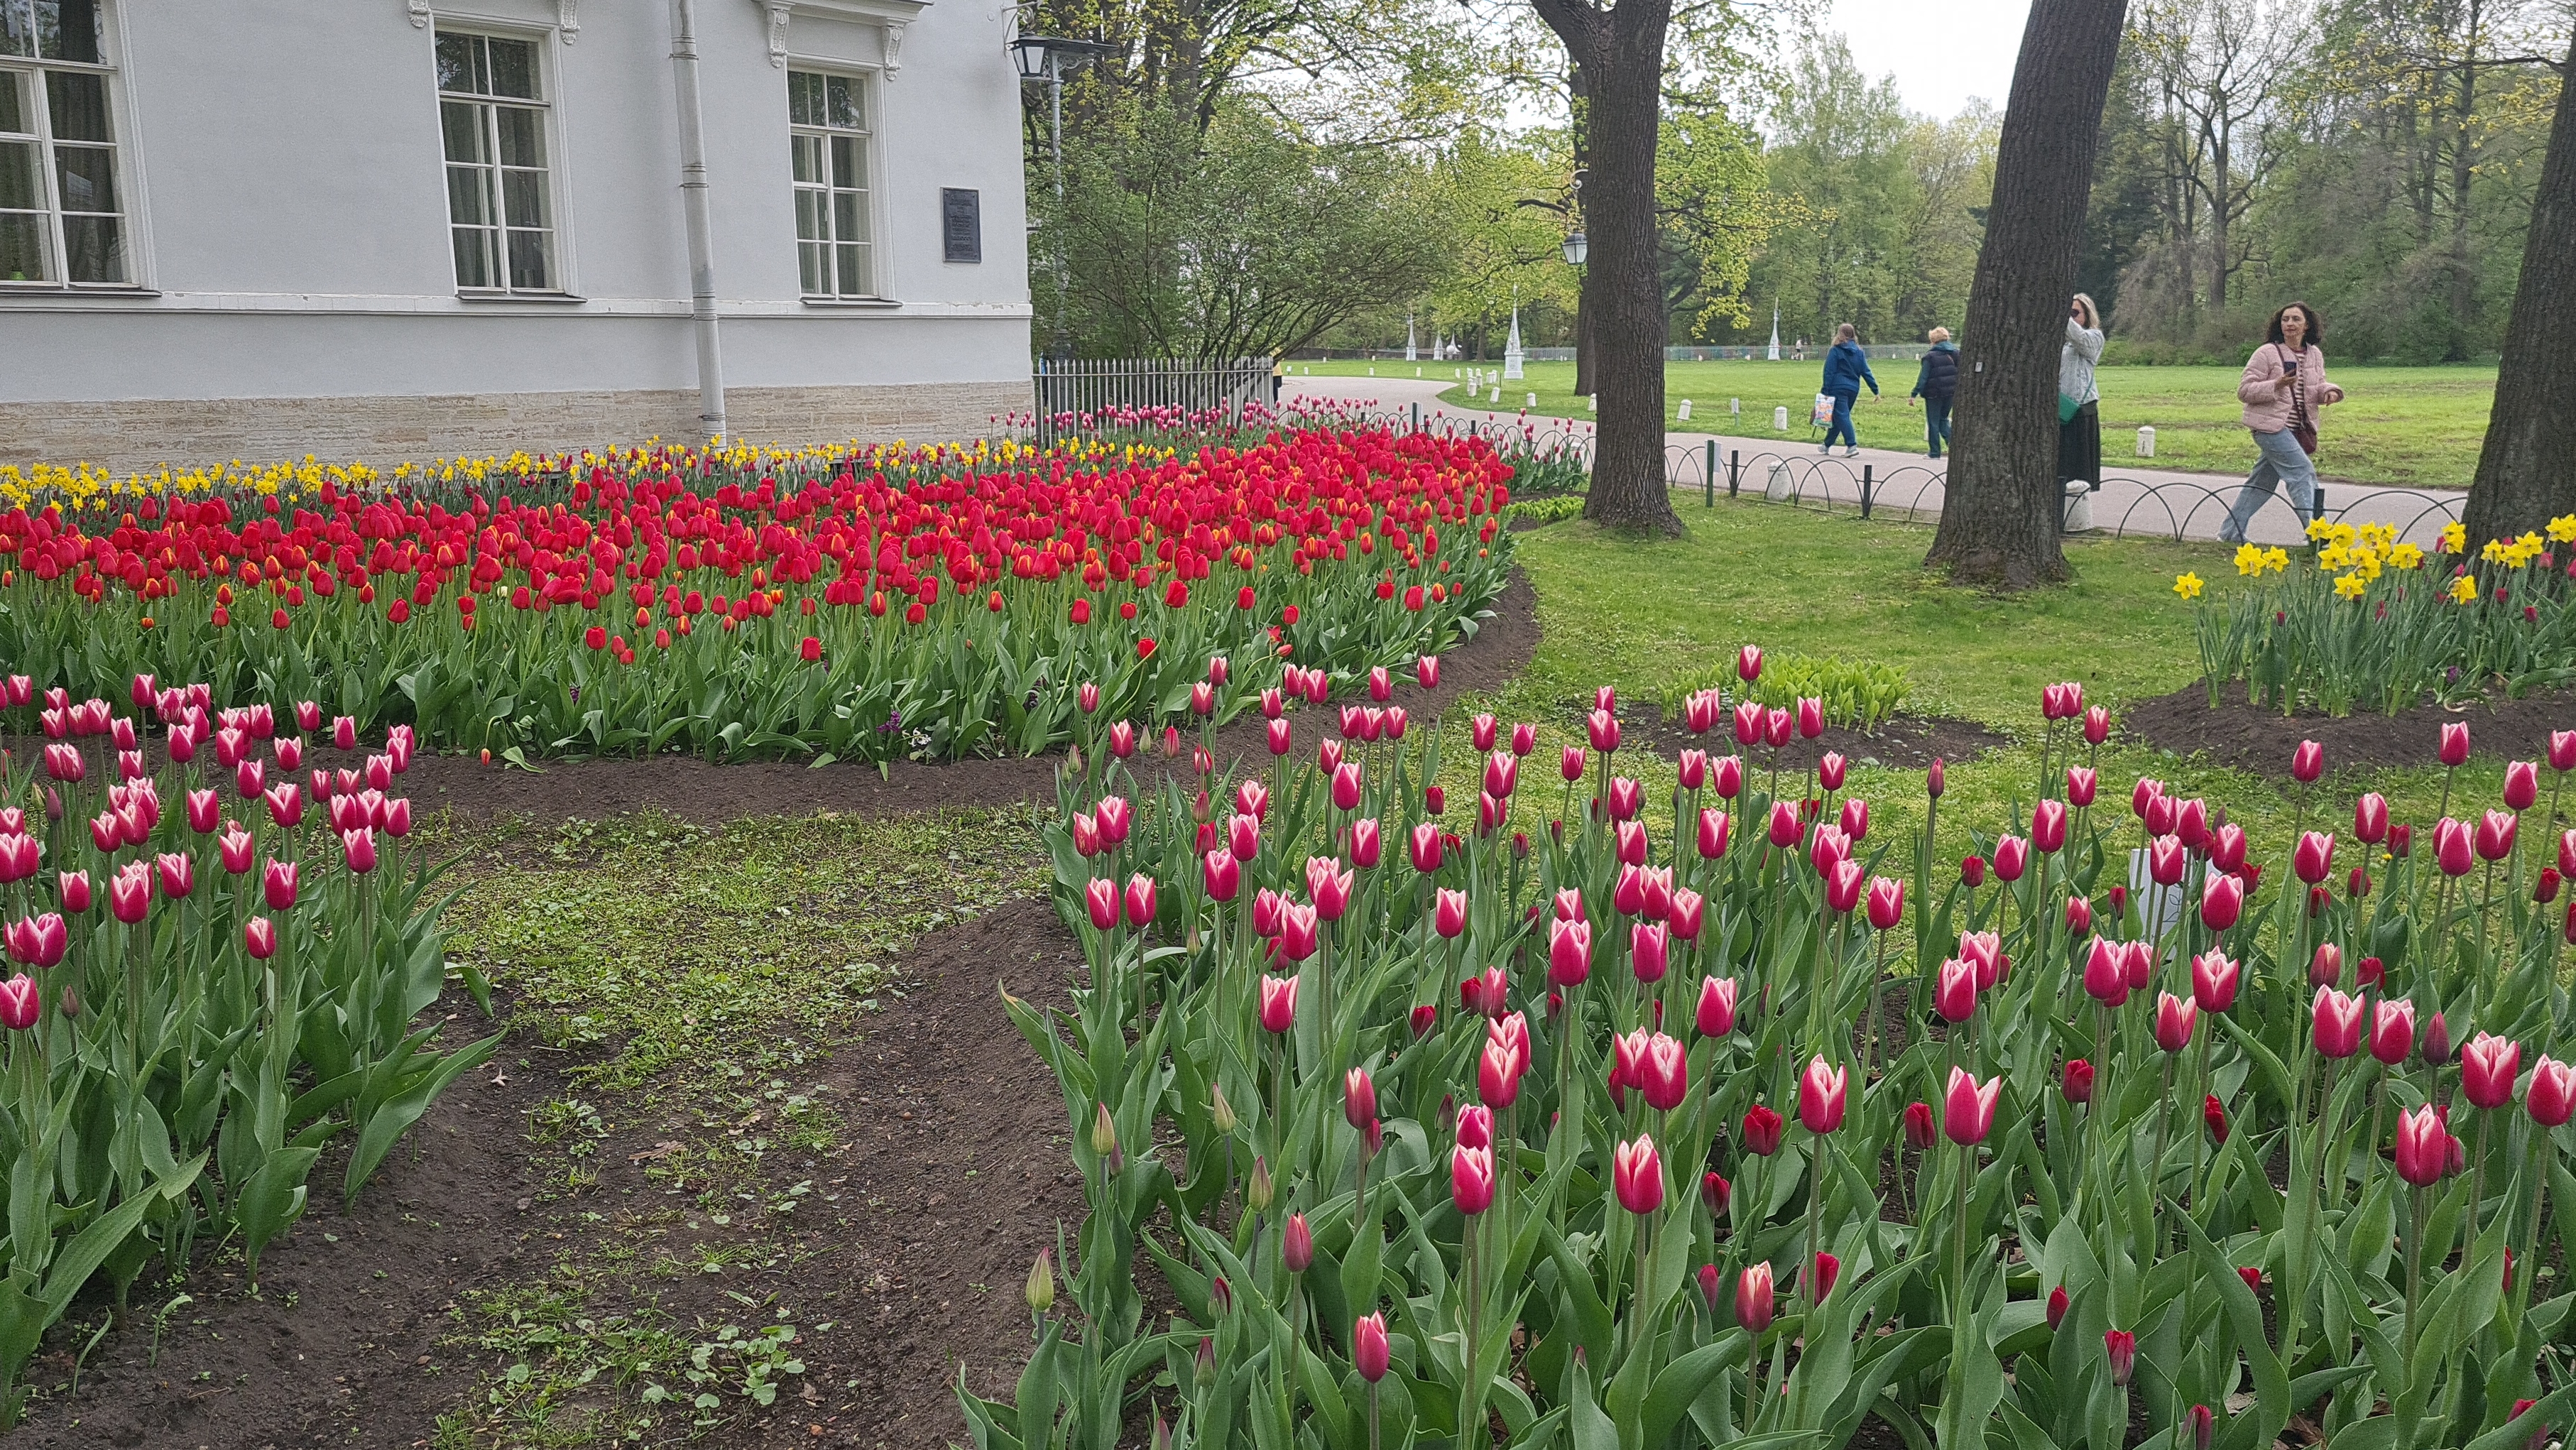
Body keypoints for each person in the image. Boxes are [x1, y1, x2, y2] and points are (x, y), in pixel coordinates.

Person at [2218, 301, 2345, 545]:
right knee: (2302, 472)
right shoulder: (2266, 352)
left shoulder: (2314, 354)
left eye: (2296, 319)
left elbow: (2316, 387)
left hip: (2298, 429)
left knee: (2262, 483)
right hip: (2270, 428)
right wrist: (2276, 385)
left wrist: (2330, 392)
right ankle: (2319, 536)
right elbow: (2244, 390)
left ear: (2307, 325)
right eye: (2285, 319)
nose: (2289, 324)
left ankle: (2230, 533)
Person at [2058, 294, 2105, 491]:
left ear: (2087, 314)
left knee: (2078, 468)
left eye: (2075, 313)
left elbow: (2080, 338)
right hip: (2060, 408)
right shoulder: (2060, 341)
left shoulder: (2094, 337)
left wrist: (2060, 314)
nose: (2071, 317)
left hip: (2081, 409)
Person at [1818, 322, 1878, 455]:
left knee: (1842, 416)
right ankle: (1826, 445)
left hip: (1837, 388)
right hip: (1853, 389)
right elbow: (1866, 372)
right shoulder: (1859, 352)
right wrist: (1875, 389)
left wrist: (1825, 391)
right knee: (1840, 417)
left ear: (1839, 334)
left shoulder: (1835, 350)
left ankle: (1852, 445)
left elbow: (1829, 372)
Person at [1909, 326, 1959, 459]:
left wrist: (1914, 394)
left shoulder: (1930, 357)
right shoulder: (1956, 353)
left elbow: (1923, 377)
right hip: (1951, 391)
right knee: (1944, 419)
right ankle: (1954, 447)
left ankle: (1935, 452)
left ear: (1933, 341)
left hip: (1934, 393)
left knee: (1933, 422)